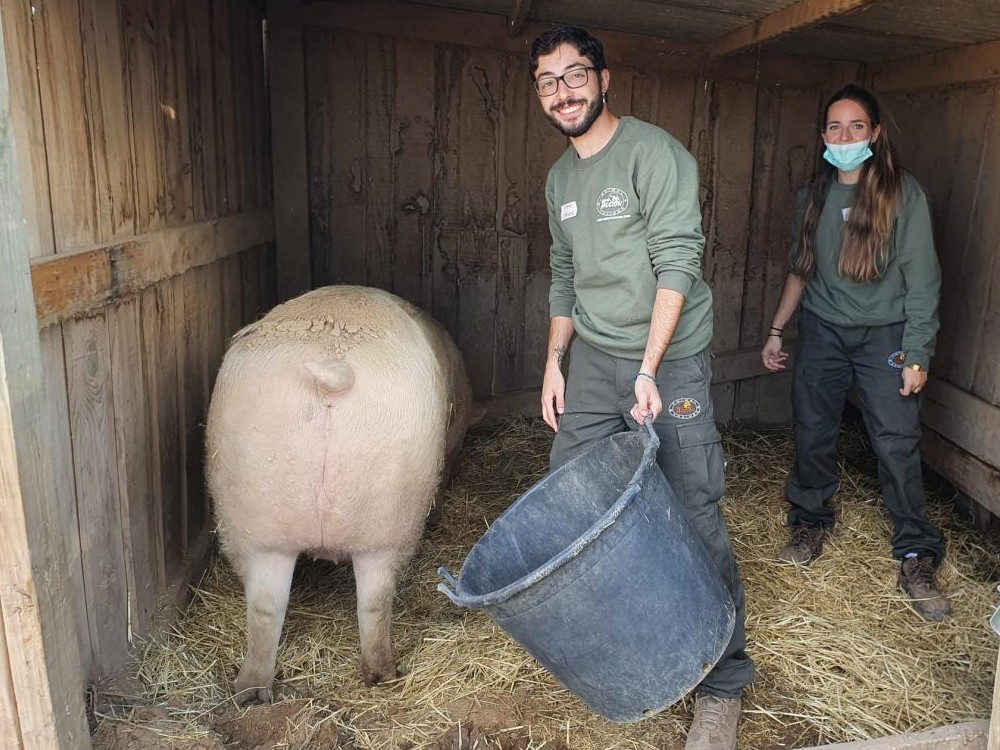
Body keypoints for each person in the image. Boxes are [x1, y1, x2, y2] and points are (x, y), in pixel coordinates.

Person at [530, 26, 753, 750]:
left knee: (692, 506)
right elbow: (565, 275)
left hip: (670, 359)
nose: (562, 92)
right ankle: (628, 641)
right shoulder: (560, 181)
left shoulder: (655, 155)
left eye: (574, 75)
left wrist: (650, 369)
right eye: (547, 81)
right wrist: (555, 361)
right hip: (594, 359)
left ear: (604, 79)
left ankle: (723, 683)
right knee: (572, 495)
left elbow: (678, 261)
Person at [761, 84, 951, 622]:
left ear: (875, 134)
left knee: (895, 439)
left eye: (856, 127)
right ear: (823, 136)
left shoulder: (901, 193)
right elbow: (801, 269)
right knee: (812, 428)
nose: (844, 137)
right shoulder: (813, 195)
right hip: (823, 330)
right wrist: (777, 329)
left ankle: (915, 552)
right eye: (834, 127)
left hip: (885, 335)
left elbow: (923, 280)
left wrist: (918, 352)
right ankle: (809, 522)